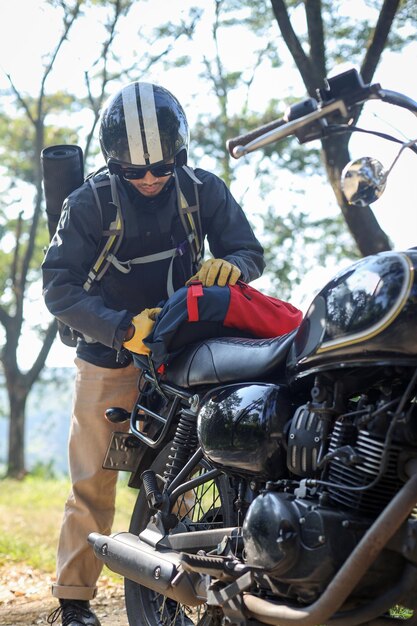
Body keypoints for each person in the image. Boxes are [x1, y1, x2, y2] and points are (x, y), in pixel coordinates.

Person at [42, 80, 265, 626]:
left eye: (160, 168)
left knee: (187, 476)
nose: (147, 178)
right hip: (109, 357)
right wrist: (122, 328)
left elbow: (248, 250)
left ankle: (175, 585)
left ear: (179, 154)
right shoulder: (87, 202)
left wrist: (232, 267)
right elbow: (58, 288)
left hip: (184, 357)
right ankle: (73, 602)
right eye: (133, 171)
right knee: (94, 480)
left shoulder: (202, 190)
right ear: (112, 164)